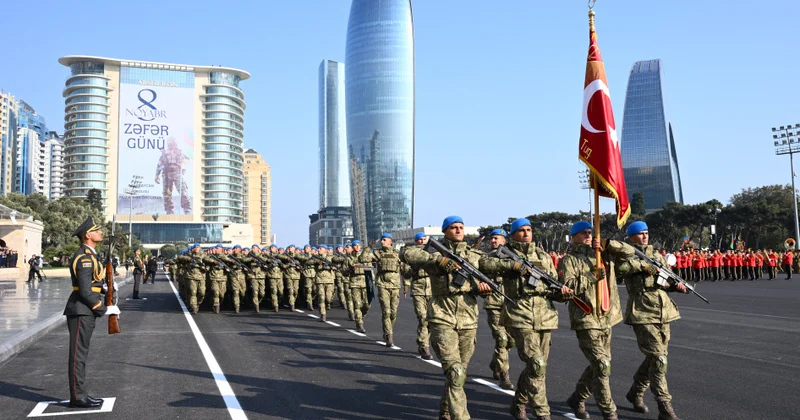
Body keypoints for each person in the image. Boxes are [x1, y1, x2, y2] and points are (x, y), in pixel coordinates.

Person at [402, 216, 492, 420]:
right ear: (445, 231)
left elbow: (490, 270)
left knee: (458, 374)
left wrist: (483, 289)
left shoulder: (474, 256)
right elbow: (406, 252)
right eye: (454, 227)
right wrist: (439, 260)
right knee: (456, 372)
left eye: (461, 227)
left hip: (468, 318)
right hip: (442, 315)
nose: (459, 230)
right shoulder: (435, 252)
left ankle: (445, 412)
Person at [481, 219, 573, 420]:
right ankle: (542, 414)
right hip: (519, 314)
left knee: (537, 368)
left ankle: (518, 403)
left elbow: (552, 286)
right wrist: (513, 266)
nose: (526, 234)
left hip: (545, 316)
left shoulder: (542, 256)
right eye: (521, 231)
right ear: (512, 234)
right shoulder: (503, 252)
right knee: (537, 364)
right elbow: (485, 263)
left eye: (529, 230)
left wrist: (562, 293)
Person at [560, 220, 632, 420]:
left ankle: (577, 398)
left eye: (590, 232)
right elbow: (569, 287)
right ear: (573, 236)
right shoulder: (569, 260)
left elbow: (629, 252)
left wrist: (608, 243)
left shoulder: (604, 254)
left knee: (600, 365)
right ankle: (609, 412)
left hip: (607, 316)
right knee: (602, 365)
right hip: (586, 317)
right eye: (583, 233)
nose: (588, 235)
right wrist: (592, 276)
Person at [615, 221, 686, 420]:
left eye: (646, 232)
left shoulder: (657, 256)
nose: (645, 236)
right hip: (642, 310)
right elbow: (621, 270)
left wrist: (676, 286)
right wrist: (644, 265)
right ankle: (665, 408)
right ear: (631, 237)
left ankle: (636, 392)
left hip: (663, 310)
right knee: (659, 359)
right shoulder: (626, 254)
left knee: (656, 357)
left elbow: (665, 281)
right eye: (640, 234)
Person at [64, 216, 120, 408]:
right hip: (81, 309)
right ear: (88, 235)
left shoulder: (91, 255)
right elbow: (85, 290)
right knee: (78, 355)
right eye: (97, 230)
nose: (101, 233)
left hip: (84, 309)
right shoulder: (85, 257)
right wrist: (103, 309)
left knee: (82, 353)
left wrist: (105, 289)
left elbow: (93, 285)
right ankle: (77, 397)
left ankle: (81, 394)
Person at [479, 228, 515, 391]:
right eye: (492, 239)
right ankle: (504, 374)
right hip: (493, 300)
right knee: (501, 339)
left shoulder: (513, 257)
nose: (493, 241)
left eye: (497, 238)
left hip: (510, 301)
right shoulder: (485, 257)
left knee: (511, 340)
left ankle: (495, 363)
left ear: (504, 241)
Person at [400, 232, 433, 360]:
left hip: (432, 289)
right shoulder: (411, 255)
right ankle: (424, 346)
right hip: (418, 288)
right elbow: (406, 274)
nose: (423, 241)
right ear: (416, 241)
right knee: (423, 318)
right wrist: (415, 267)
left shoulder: (432, 253)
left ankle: (423, 341)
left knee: (431, 320)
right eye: (420, 239)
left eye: (425, 239)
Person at [371, 233, 403, 347]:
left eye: (384, 240)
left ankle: (387, 329)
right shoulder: (377, 252)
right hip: (382, 284)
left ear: (390, 241)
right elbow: (363, 258)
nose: (382, 242)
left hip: (395, 285)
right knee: (386, 311)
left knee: (393, 312)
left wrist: (407, 284)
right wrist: (369, 247)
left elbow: (404, 268)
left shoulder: (398, 254)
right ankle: (389, 335)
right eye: (381, 240)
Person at [155, 137, 191, 215]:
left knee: (183, 191)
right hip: (167, 174)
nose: (171, 144)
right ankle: (169, 211)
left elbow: (187, 161)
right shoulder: (164, 153)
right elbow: (160, 165)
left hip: (177, 173)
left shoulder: (180, 152)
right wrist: (157, 175)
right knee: (167, 193)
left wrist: (184, 169)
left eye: (173, 142)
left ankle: (187, 210)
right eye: (170, 143)